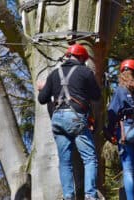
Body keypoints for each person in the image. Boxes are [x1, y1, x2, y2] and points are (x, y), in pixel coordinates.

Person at [37, 44, 101, 200]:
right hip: (75, 118)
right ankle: (90, 195)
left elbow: (42, 99)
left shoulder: (53, 74)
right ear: (81, 58)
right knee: (90, 158)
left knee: (65, 161)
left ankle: (68, 196)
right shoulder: (85, 72)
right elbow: (97, 95)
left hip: (58, 119)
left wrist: (46, 87)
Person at [106, 59, 134, 200]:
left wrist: (109, 131)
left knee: (128, 172)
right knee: (133, 173)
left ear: (122, 73)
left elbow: (112, 111)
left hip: (126, 132)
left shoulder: (120, 90)